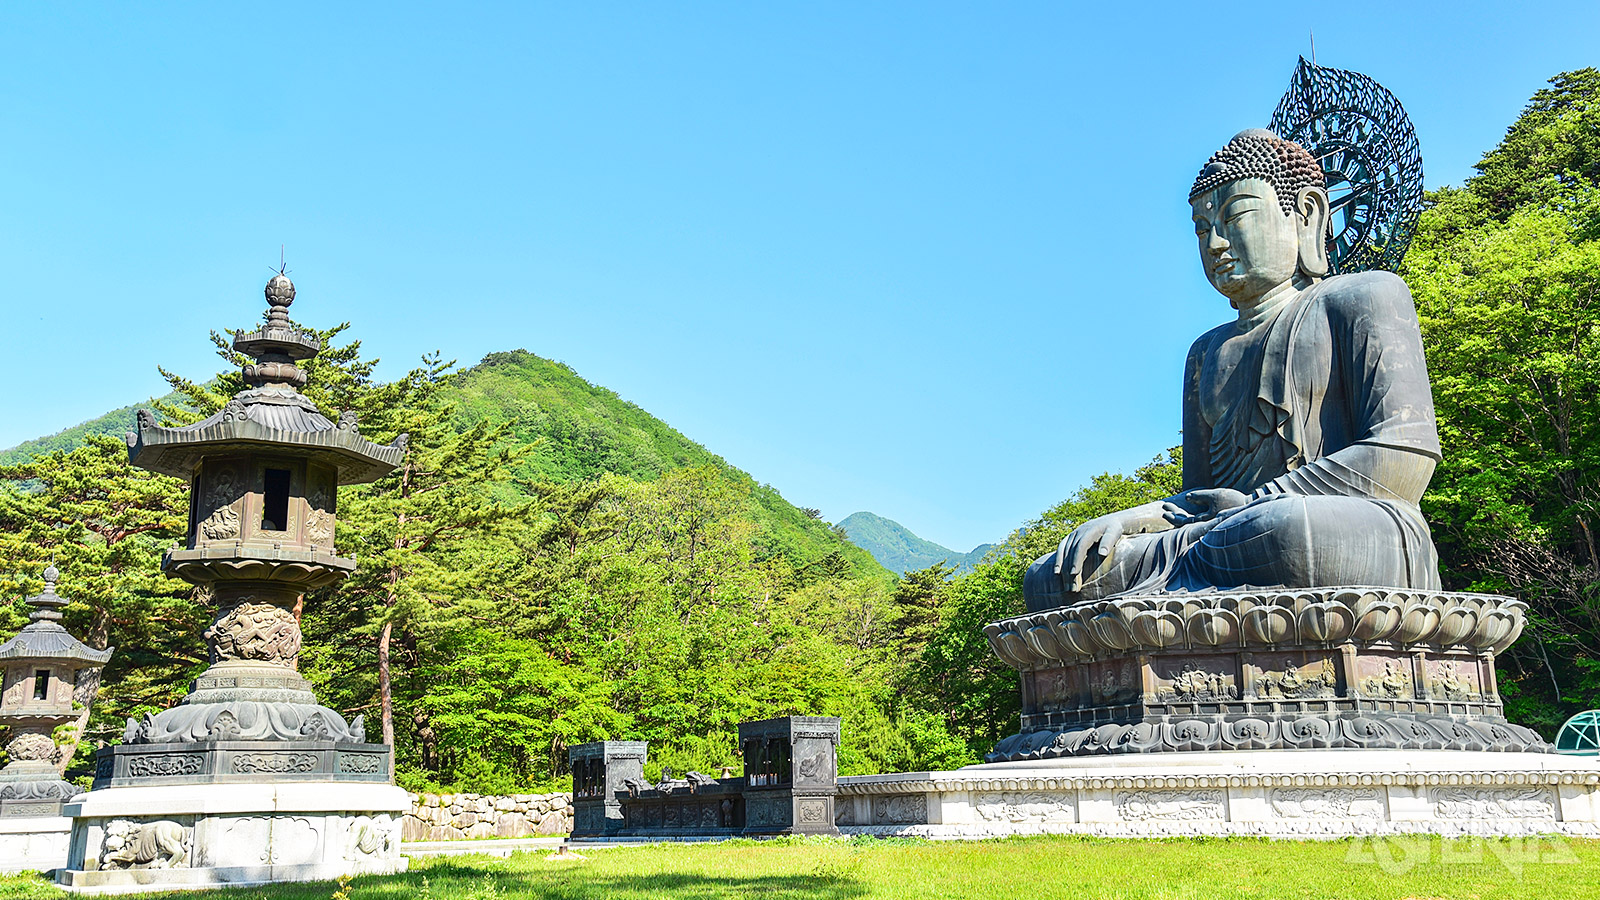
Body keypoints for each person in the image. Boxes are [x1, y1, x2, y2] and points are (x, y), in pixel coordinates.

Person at [1024, 129, 1442, 612]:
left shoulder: (1363, 297)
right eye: (1202, 230)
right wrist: (1133, 519)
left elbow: (1404, 457)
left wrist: (1257, 502)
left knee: (1289, 532)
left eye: (1235, 217)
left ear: (1306, 214)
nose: (1216, 244)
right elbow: (1197, 500)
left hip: (1343, 525)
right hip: (1224, 535)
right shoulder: (1206, 351)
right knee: (1055, 575)